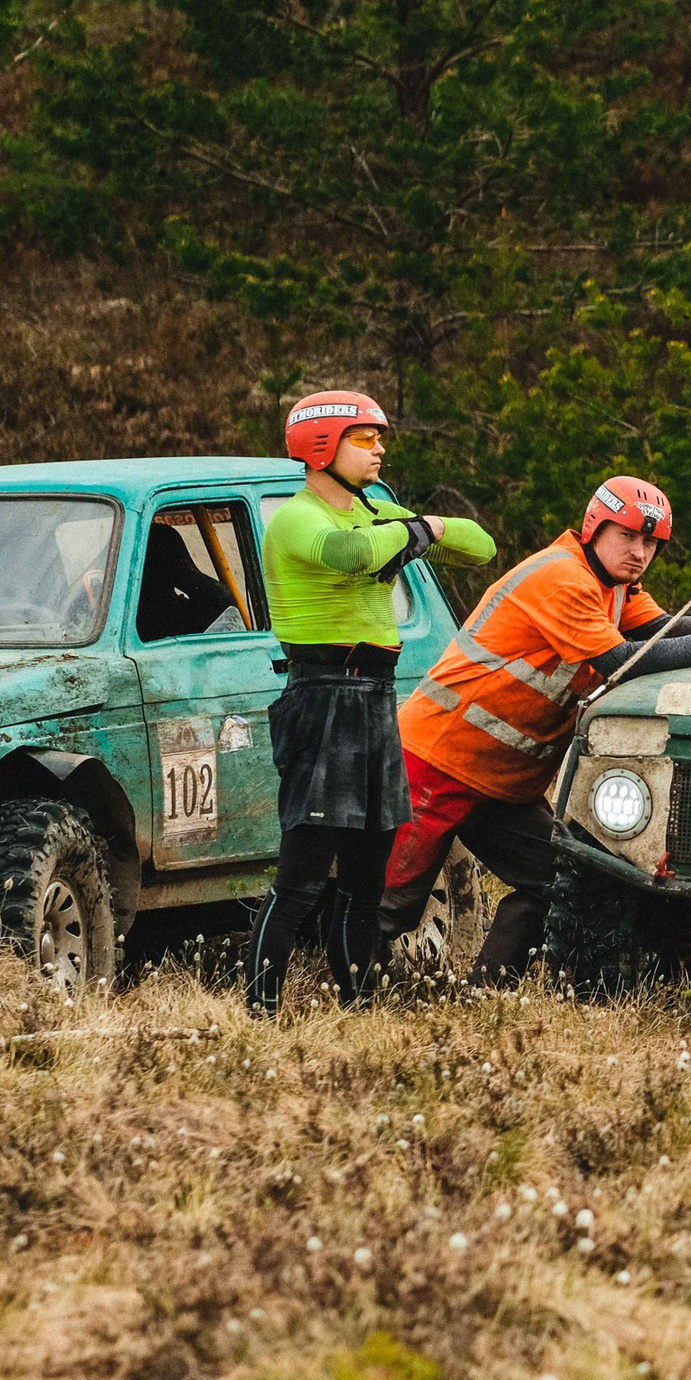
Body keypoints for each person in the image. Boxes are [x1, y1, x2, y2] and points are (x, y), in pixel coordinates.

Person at [377, 478, 691, 984]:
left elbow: (659, 630)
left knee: (558, 885)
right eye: (627, 536)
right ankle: (348, 998)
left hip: (501, 781)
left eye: (651, 543)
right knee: (390, 903)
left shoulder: (615, 587)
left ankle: (487, 993)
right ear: (594, 528)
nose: (639, 553)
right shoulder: (563, 578)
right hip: (436, 759)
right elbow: (621, 661)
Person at [248, 392, 495, 1017]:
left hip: (376, 697)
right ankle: (260, 1012)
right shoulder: (297, 517)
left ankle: (357, 1008)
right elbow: (350, 555)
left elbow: (481, 546)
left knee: (367, 879)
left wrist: (423, 526)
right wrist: (410, 532)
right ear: (322, 447)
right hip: (321, 695)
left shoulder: (376, 510)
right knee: (302, 875)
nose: (380, 449)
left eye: (379, 437)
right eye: (365, 438)